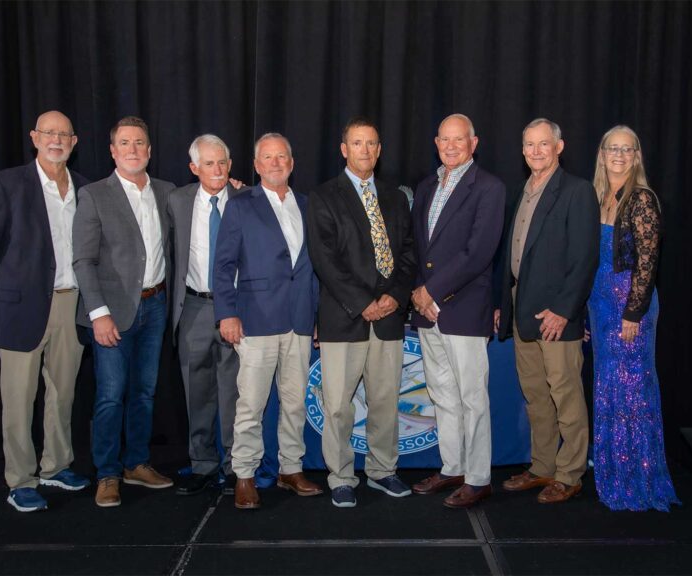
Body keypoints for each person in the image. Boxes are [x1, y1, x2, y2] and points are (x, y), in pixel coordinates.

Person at [0, 110, 91, 512]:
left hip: (71, 303)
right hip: (20, 306)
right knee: (19, 398)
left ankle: (56, 465)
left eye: (64, 134)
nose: (56, 140)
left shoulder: (84, 188)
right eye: (49, 133)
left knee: (63, 392)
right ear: (34, 138)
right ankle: (20, 479)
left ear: (74, 142)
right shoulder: (7, 184)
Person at [308, 117, 416, 508]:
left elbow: (408, 253)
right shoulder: (324, 196)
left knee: (385, 400)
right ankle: (340, 476)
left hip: (388, 317)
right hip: (345, 317)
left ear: (379, 150)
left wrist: (395, 297)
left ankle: (383, 470)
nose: (365, 150)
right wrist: (363, 302)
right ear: (344, 149)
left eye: (371, 143)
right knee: (338, 406)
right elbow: (325, 260)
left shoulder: (395, 198)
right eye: (357, 143)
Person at [214, 133, 322, 510]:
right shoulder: (240, 205)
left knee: (294, 402)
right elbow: (223, 265)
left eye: (282, 157)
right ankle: (244, 474)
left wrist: (317, 315)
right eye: (268, 157)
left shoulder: (308, 205)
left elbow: (313, 268)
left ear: (291, 162)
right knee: (251, 404)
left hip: (299, 319)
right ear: (257, 165)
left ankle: (291, 469)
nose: (276, 163)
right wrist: (226, 313)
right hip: (255, 320)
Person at [496, 118, 600, 504]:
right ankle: (542, 466)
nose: (536, 151)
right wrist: (504, 305)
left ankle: (570, 473)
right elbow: (512, 256)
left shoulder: (577, 191)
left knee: (565, 394)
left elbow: (585, 258)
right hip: (522, 309)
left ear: (559, 147)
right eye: (529, 145)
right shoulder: (522, 191)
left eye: (543, 144)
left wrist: (564, 310)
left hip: (556, 316)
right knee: (536, 394)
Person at [73, 116, 175, 508]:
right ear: (113, 151)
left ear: (149, 150)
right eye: (125, 143)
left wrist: (233, 187)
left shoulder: (166, 191)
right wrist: (98, 313)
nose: (133, 149)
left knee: (145, 392)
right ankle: (107, 473)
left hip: (156, 305)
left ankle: (136, 463)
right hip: (111, 313)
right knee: (111, 395)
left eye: (140, 143)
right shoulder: (94, 195)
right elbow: (83, 260)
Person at [410, 114, 505, 508]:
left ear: (473, 143)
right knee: (442, 394)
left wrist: (431, 291)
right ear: (436, 143)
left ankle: (479, 478)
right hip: (427, 311)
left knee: (472, 398)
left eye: (459, 139)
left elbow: (478, 252)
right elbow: (419, 249)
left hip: (463, 309)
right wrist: (419, 296)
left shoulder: (489, 187)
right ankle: (453, 467)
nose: (451, 146)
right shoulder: (426, 186)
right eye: (444, 140)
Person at [587, 125, 680, 511]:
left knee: (632, 387)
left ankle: (637, 478)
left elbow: (647, 263)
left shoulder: (641, 199)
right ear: (602, 154)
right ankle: (611, 468)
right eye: (613, 148)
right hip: (599, 303)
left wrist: (633, 313)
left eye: (627, 149)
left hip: (629, 306)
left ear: (636, 156)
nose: (619, 155)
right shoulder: (598, 196)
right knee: (607, 384)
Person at [168, 135, 241, 497]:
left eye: (222, 162)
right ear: (194, 168)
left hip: (236, 309)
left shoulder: (246, 199)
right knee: (196, 391)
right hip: (194, 307)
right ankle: (202, 464)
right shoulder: (176, 201)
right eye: (209, 163)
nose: (217, 169)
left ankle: (234, 467)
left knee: (234, 393)